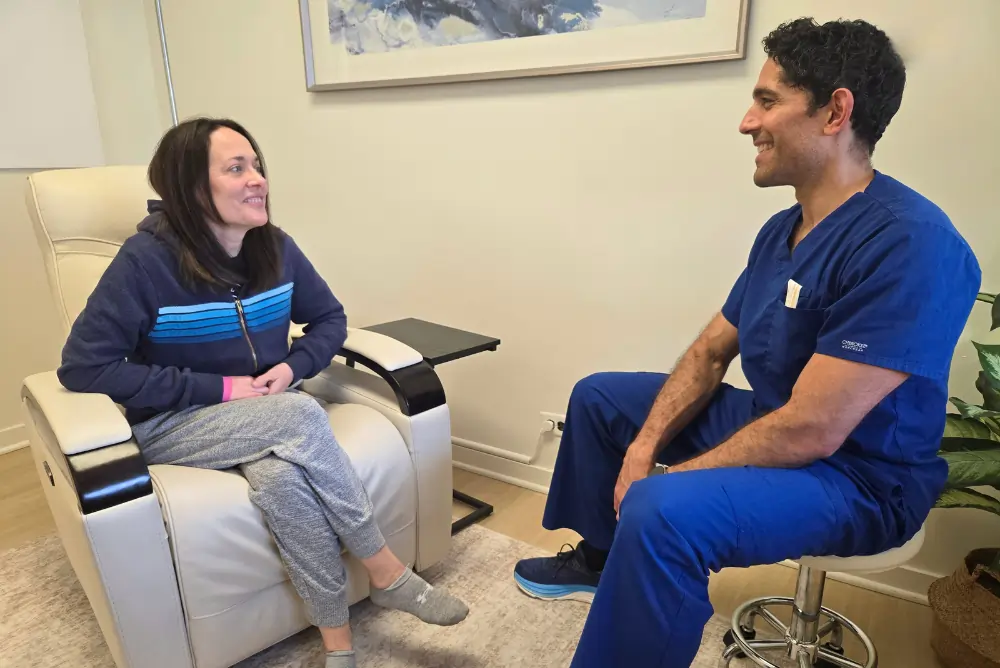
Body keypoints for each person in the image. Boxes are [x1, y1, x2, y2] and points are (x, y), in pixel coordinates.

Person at [513, 17, 982, 667]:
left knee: (662, 512)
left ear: (833, 112)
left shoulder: (911, 244)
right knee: (600, 400)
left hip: (860, 477)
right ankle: (603, 560)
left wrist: (667, 480)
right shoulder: (781, 232)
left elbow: (813, 431)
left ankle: (637, 567)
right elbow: (709, 353)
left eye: (767, 101)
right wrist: (641, 448)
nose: (746, 122)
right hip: (774, 422)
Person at [57, 117, 468, 668]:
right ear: (190, 187)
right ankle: (387, 572)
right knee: (299, 415)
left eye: (257, 165)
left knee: (283, 482)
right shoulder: (143, 263)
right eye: (236, 168)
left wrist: (294, 363)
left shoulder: (275, 248)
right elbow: (82, 366)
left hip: (265, 414)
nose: (258, 180)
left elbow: (329, 319)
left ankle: (338, 648)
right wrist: (220, 388)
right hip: (175, 424)